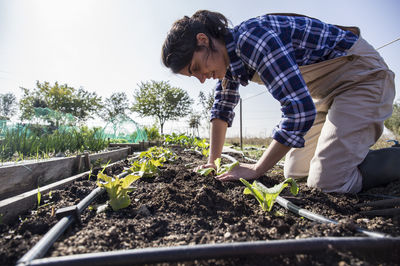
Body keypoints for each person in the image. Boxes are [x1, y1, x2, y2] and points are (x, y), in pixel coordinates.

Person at [161, 10, 399, 193]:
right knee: (295, 172)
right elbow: (222, 109)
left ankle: (391, 159)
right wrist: (213, 162)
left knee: (328, 182)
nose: (202, 78)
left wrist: (256, 169)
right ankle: (348, 159)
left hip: (363, 79)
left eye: (196, 68)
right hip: (328, 96)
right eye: (194, 76)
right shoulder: (230, 62)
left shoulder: (252, 40)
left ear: (203, 40)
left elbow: (298, 110)